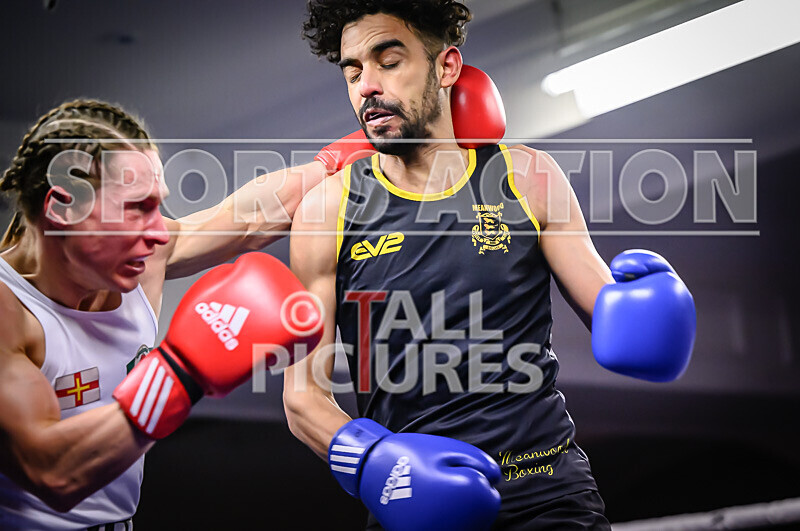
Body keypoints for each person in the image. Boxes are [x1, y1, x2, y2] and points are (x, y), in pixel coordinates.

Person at [284, 1, 696, 530]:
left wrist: (645, 316)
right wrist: (371, 463)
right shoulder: (328, 210)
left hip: (549, 492)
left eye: (388, 62)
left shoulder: (526, 177)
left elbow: (612, 313)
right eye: (353, 71)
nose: (366, 86)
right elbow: (302, 396)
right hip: (414, 501)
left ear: (447, 67)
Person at [0, 99, 333, 529]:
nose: (159, 231)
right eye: (137, 208)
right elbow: (52, 472)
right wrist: (182, 370)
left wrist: (364, 146)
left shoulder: (143, 257)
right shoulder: (10, 312)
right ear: (63, 208)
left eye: (158, 205)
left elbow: (249, 218)